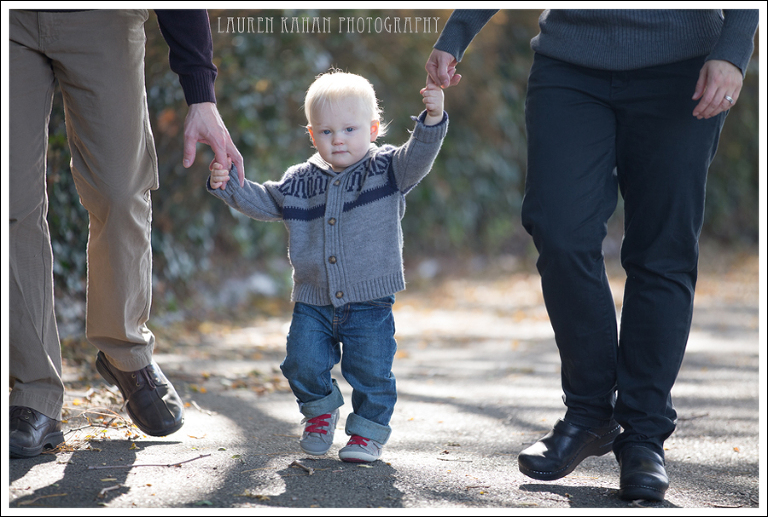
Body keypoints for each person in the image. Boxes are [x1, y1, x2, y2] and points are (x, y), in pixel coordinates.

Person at [426, 9, 758, 501]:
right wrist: (457, 33)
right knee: (559, 230)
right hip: (569, 63)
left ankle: (643, 436)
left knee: (661, 249)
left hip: (683, 65)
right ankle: (588, 414)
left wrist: (733, 51)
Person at [9, 9, 244, 458]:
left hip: (104, 19)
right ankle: (34, 393)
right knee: (10, 207)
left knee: (120, 189)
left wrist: (201, 93)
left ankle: (125, 353)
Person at [207, 70, 448, 463]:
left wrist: (432, 120)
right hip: (313, 299)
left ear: (372, 129)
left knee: (371, 372)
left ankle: (367, 434)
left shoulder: (387, 169)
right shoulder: (300, 180)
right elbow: (265, 201)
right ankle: (320, 411)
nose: (337, 139)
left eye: (350, 129)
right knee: (300, 360)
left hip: (370, 300)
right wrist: (229, 184)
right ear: (311, 135)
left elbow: (419, 154)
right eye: (326, 131)